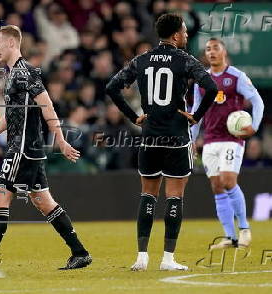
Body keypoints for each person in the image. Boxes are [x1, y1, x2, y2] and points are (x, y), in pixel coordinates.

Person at [0, 25, 91, 272]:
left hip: (22, 149)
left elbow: (48, 107)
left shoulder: (26, 73)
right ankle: (80, 253)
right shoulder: (12, 75)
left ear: (12, 44)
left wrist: (61, 139)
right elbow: (9, 118)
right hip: (27, 149)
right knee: (44, 202)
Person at [106, 13, 218, 271]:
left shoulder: (142, 60)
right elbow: (211, 87)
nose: (187, 35)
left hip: (150, 137)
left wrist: (134, 117)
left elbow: (112, 87)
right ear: (176, 35)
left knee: (148, 194)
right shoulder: (185, 60)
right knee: (175, 196)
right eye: (185, 32)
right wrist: (195, 117)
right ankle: (168, 259)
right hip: (177, 137)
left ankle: (141, 257)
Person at [191, 38, 264, 250]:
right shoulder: (201, 81)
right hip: (211, 140)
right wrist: (193, 139)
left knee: (228, 180)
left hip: (232, 139)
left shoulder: (236, 76)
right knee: (216, 186)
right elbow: (197, 112)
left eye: (215, 48)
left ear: (223, 51)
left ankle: (244, 229)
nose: (211, 52)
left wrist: (255, 126)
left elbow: (257, 100)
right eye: (208, 49)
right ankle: (230, 237)